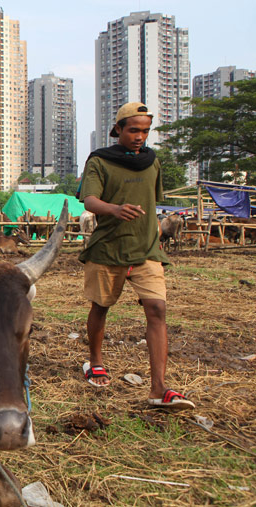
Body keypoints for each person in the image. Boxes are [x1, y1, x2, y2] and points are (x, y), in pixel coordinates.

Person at [77, 102, 194, 410]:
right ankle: (95, 361)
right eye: (133, 130)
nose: (140, 136)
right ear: (118, 129)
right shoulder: (100, 161)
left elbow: (152, 204)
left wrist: (153, 234)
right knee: (101, 307)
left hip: (146, 250)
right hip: (108, 248)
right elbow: (89, 200)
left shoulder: (152, 163)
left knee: (157, 310)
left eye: (145, 131)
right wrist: (114, 208)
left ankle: (158, 388)